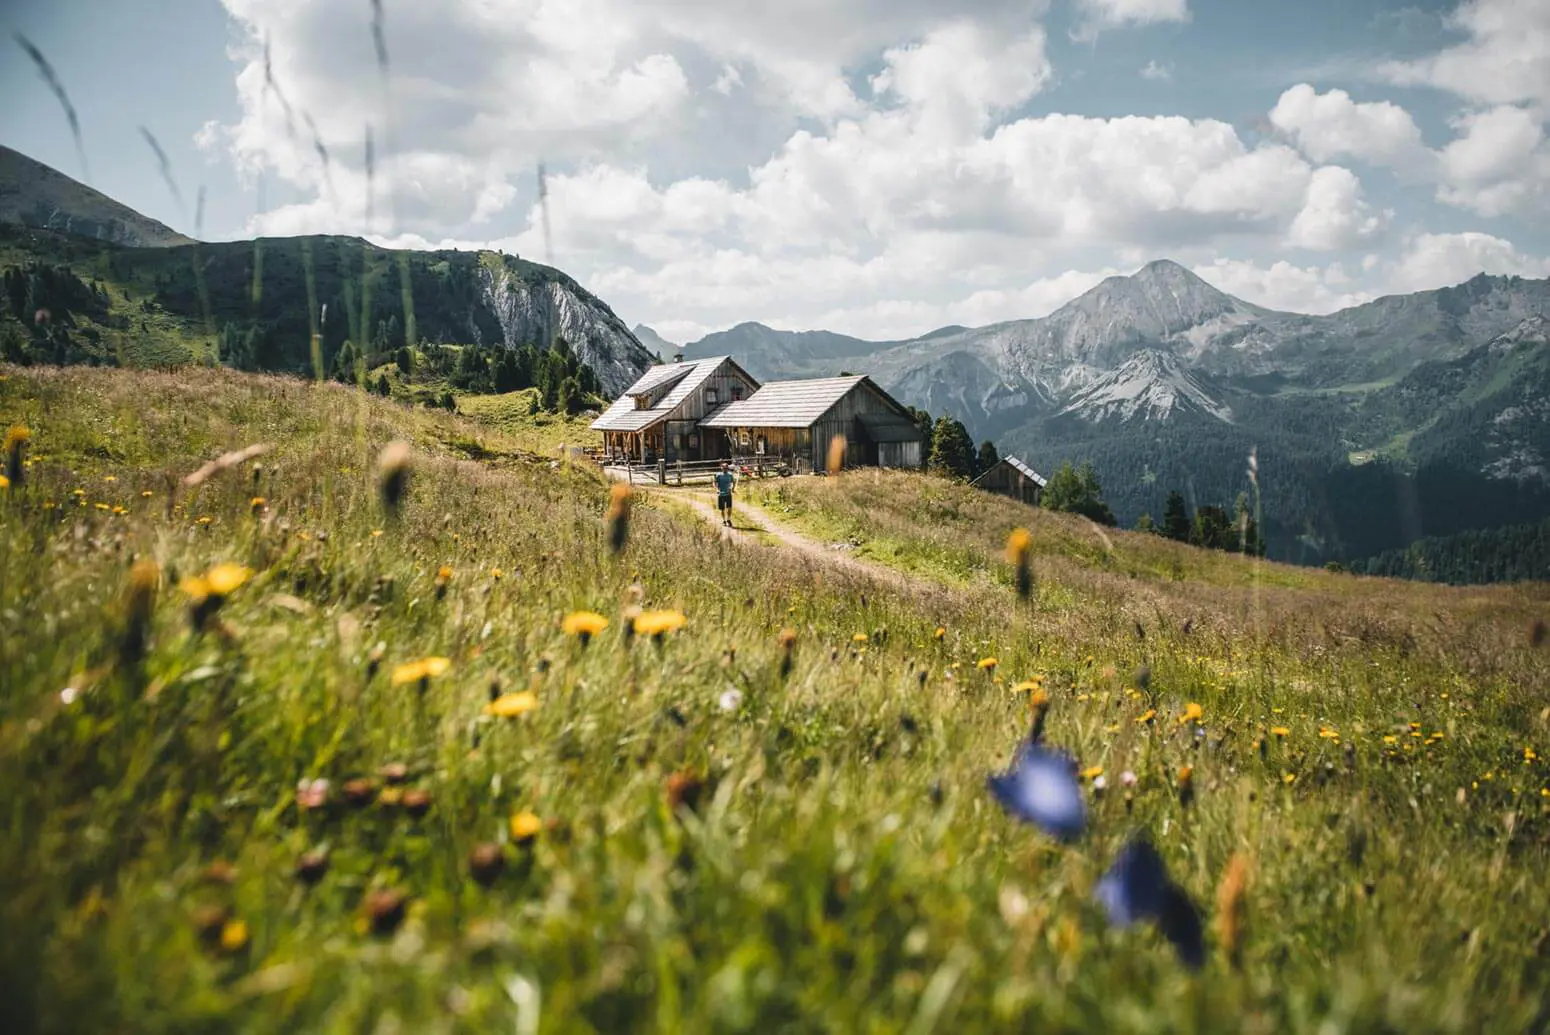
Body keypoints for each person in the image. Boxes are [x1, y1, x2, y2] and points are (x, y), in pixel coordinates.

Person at [713, 461, 736, 527]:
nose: (725, 469)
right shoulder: (718, 475)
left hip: (728, 494)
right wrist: (717, 489)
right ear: (721, 468)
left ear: (727, 468)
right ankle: (724, 520)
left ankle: (728, 519)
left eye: (726, 468)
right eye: (723, 468)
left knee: (729, 507)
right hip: (721, 494)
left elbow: (733, 482)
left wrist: (733, 488)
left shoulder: (730, 475)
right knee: (722, 509)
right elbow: (714, 483)